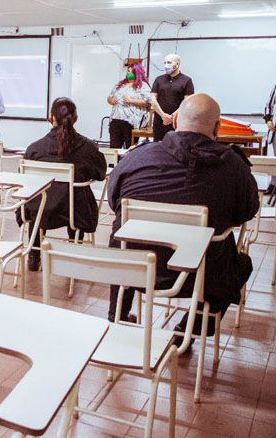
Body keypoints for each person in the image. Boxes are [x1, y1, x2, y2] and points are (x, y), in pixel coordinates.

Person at [107, 94, 258, 337]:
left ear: (175, 121)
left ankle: (117, 317)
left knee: (123, 236)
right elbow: (246, 212)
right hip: (201, 275)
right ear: (217, 128)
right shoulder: (234, 167)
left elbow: (114, 201)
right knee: (241, 264)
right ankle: (188, 331)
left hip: (135, 267)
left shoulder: (137, 157)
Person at [17, 97, 106, 271]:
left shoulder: (34, 148)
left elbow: (23, 178)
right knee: (78, 195)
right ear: (76, 119)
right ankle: (72, 255)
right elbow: (100, 174)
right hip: (73, 212)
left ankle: (34, 256)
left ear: (51, 117)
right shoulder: (88, 147)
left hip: (40, 211)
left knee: (39, 198)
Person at [150, 54, 194, 142]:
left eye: (169, 62)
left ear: (177, 64)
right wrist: (163, 116)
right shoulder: (159, 79)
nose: (166, 65)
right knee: (158, 147)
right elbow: (153, 99)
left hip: (177, 123)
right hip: (159, 122)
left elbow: (187, 102)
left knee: (176, 147)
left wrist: (172, 117)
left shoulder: (187, 80)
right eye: (165, 62)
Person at [107, 62, 150, 149]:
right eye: (128, 71)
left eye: (131, 71)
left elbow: (149, 102)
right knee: (114, 148)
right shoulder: (119, 84)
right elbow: (109, 98)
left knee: (130, 148)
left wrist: (131, 101)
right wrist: (111, 100)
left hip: (131, 122)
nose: (128, 73)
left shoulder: (143, 86)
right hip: (115, 119)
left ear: (137, 73)